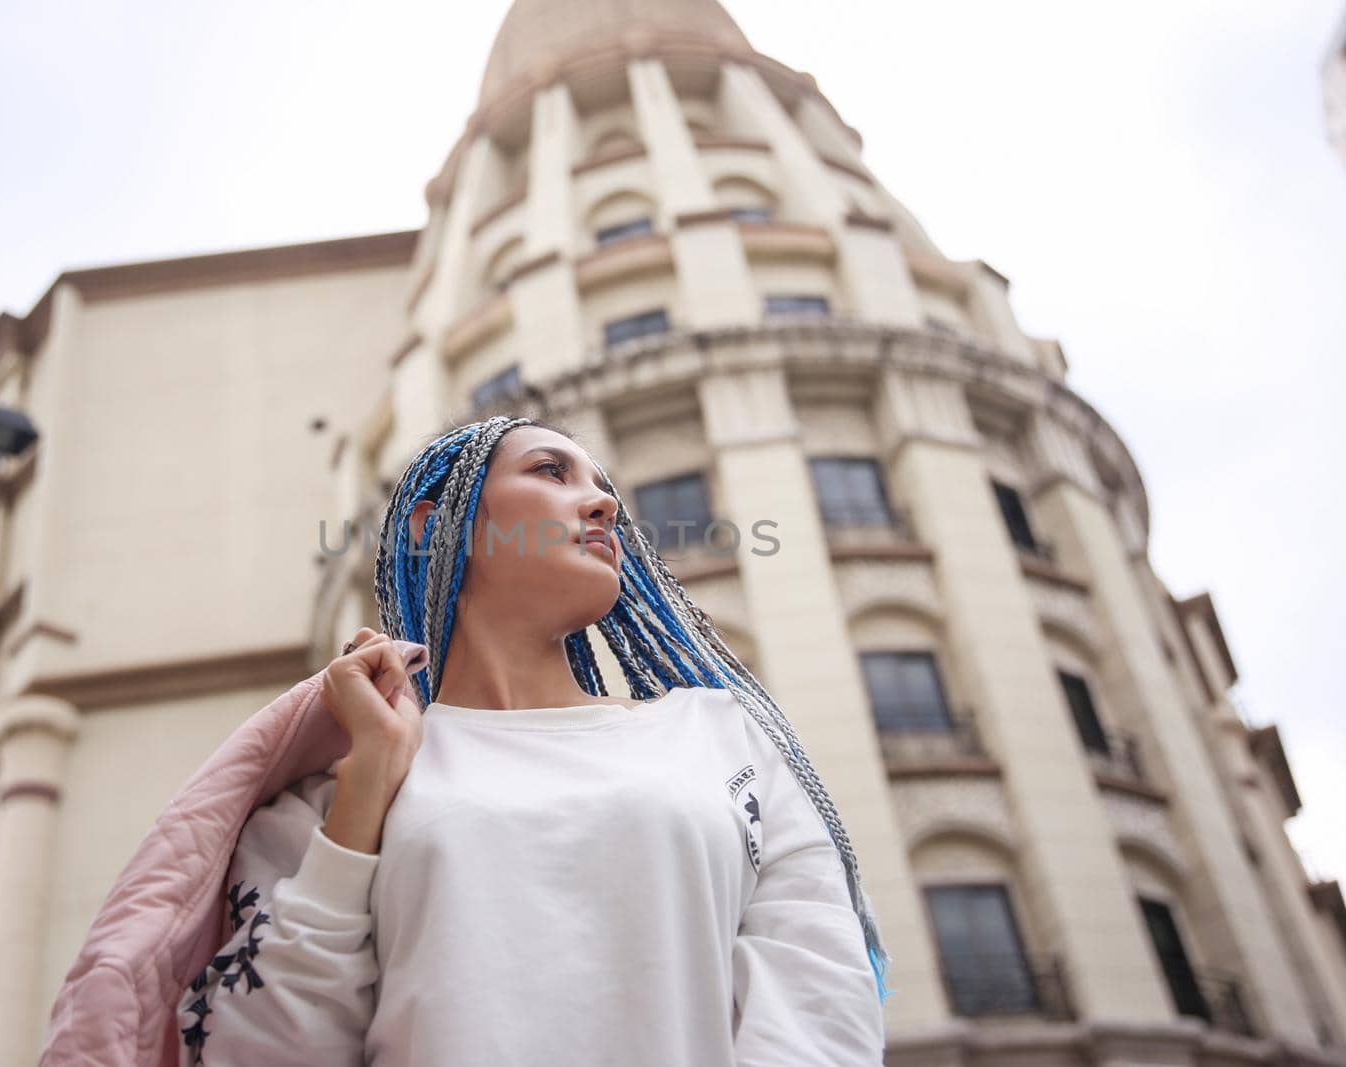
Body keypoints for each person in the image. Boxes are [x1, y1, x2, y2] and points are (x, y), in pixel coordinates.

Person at [176, 415, 893, 1066]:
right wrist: (365, 799)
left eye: (602, 485)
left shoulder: (722, 737)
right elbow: (256, 1047)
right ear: (435, 527)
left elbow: (820, 995)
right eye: (552, 471)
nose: (605, 502)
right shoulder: (337, 790)